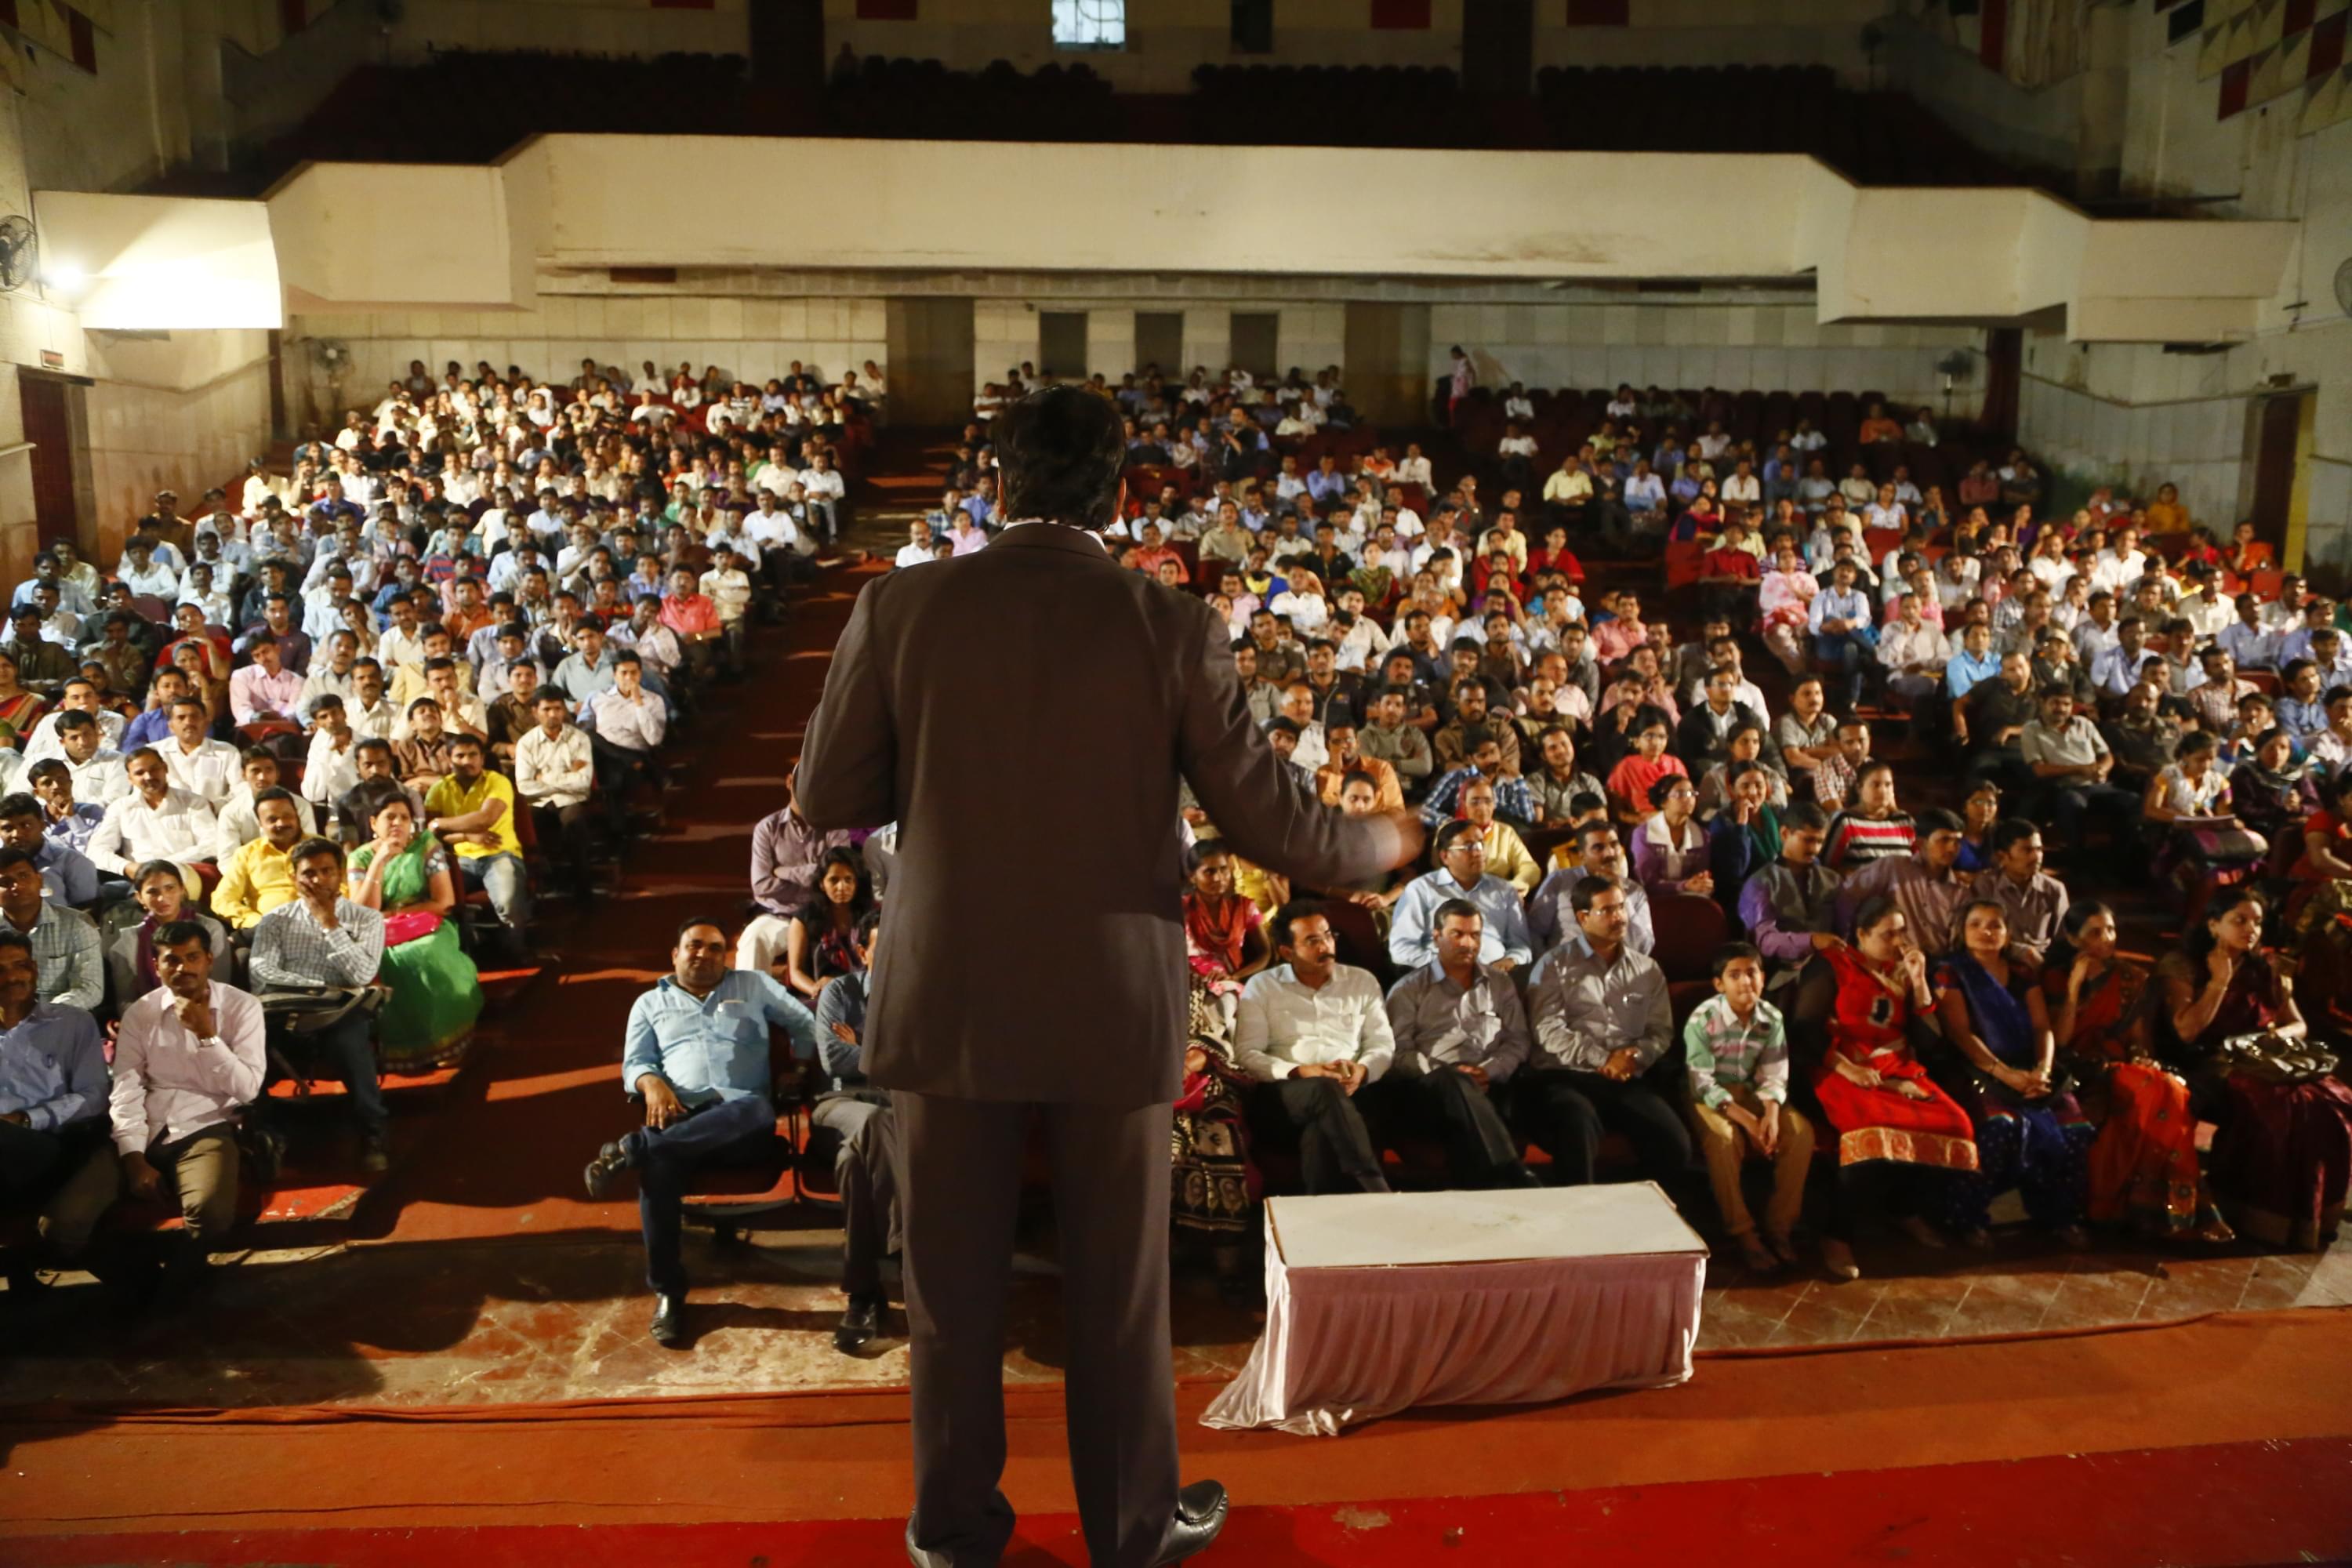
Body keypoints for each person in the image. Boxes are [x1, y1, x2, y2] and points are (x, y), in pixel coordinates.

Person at [796, 387, 1414, 1568]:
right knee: (1121, 1290)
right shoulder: (1169, 623)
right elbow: (1273, 824)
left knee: (950, 1292)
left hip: (949, 997)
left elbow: (828, 795)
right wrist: (1383, 838)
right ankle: (1133, 1526)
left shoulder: (901, 605)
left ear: (998, 485)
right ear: (1121, 494)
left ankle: (951, 1530)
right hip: (1109, 1003)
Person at [583, 920, 816, 1345]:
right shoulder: (649, 1003)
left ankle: (634, 1148)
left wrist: (798, 1070)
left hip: (745, 1126)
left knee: (755, 1107)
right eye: (694, 946)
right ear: (675, 954)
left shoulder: (753, 986)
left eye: (714, 948)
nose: (703, 955)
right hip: (682, 1123)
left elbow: (806, 1023)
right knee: (657, 1173)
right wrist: (650, 1082)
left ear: (725, 956)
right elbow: (635, 1063)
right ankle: (669, 1294)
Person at [42, 921, 264, 1283]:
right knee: (59, 1226)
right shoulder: (141, 1013)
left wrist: (206, 1036)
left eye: (193, 957)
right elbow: (126, 1088)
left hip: (208, 1124)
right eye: (172, 960)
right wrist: (133, 1156)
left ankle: (177, 1286)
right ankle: (138, 1281)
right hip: (143, 1126)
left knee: (210, 1215)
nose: (183, 968)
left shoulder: (243, 1007)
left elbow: (248, 1090)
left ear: (209, 960)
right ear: (156, 965)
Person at [2152, 891, 2352, 1249]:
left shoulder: (2265, 967)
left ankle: (2309, 1217)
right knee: (2283, 1104)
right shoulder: (2182, 964)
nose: (2251, 930)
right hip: (2211, 1062)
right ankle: (2256, 1214)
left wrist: (2272, 1038)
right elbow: (2186, 1031)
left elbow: (2298, 1025)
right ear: (2213, 925)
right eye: (2239, 920)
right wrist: (2219, 981)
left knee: (2330, 1098)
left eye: (2257, 922)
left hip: (2262, 1059)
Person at [1805, 895, 1979, 1280]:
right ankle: (1836, 1236)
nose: (1898, 942)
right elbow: (1805, 1028)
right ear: (1862, 934)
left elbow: (1930, 1042)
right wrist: (1849, 1070)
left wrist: (1919, 982)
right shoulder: (1832, 964)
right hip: (1840, 1066)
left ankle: (1904, 1208)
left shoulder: (1901, 971)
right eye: (1888, 934)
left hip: (1897, 1068)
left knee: (1956, 1124)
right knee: (1869, 1134)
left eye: (1902, 932)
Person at [2047, 901, 2230, 1243]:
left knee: (2171, 1088)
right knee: (2159, 1091)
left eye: (2111, 930)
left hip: (2118, 1065)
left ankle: (2162, 1207)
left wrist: (2142, 1057)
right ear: (2073, 939)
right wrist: (2073, 989)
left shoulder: (2131, 978)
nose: (2107, 938)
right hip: (2073, 1068)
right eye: (2095, 932)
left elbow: (2138, 1040)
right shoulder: (2055, 977)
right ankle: (2170, 1208)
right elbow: (2060, 1041)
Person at [1931, 899, 2095, 1245]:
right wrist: (2005, 1075)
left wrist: (2043, 1070)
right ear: (1962, 932)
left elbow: (2042, 1028)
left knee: (2076, 1129)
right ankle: (1968, 1218)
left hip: (2031, 1068)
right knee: (1999, 1127)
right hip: (1978, 1068)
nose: (1986, 931)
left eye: (1995, 925)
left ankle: (2060, 1215)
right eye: (1976, 924)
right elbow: (1960, 1034)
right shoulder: (1951, 972)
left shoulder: (2022, 972)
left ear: (2007, 934)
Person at [1518, 873, 1688, 1186]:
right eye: (1607, 910)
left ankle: (1634, 1208)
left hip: (1624, 1077)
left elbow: (1660, 1031)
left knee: (1674, 1144)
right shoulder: (1554, 965)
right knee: (1576, 1123)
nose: (1619, 917)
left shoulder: (1646, 969)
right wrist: (1602, 1059)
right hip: (1565, 1076)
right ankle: (1580, 1211)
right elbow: (1547, 1029)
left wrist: (1634, 1056)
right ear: (1583, 918)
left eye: (1621, 907)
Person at [1234, 902, 1397, 1196]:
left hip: (1351, 1093)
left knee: (1321, 1129)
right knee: (1323, 1089)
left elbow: (1382, 1043)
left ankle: (1318, 1213)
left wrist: (1363, 1070)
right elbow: (1247, 1055)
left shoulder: (1361, 981)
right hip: (1285, 1097)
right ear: (1287, 952)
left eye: (1328, 935)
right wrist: (1300, 1071)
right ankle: (1374, 1184)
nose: (1326, 946)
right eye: (1312, 941)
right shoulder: (1263, 986)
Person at [249, 837, 392, 1170]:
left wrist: (329, 924)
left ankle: (373, 1129)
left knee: (349, 1042)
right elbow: (261, 972)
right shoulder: (275, 920)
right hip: (287, 1011)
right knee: (246, 1042)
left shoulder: (367, 919)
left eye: (327, 871)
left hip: (340, 1014)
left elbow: (362, 974)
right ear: (294, 878)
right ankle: (264, 1133)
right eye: (309, 873)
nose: (318, 880)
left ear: (340, 875)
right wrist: (317, 989)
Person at [1382, 900, 1539, 1189]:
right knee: (1452, 1082)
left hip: (1490, 1084)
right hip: (1429, 1090)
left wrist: (1489, 1071)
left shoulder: (1499, 984)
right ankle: (1512, 1171)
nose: (1468, 944)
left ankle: (1483, 1190)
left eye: (1475, 935)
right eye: (1458, 934)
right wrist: (1448, 1073)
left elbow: (1518, 1039)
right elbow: (1397, 1052)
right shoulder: (1409, 989)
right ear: (1436, 936)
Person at [1683, 943, 1814, 1273]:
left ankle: (1780, 1227)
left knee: (1800, 1134)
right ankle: (1743, 1231)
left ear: (1763, 978)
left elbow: (1775, 1073)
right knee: (1724, 1139)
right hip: (1712, 1093)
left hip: (1755, 1093)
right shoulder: (1703, 1019)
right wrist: (1748, 1122)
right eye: (1735, 975)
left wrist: (1770, 1115)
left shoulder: (1771, 1018)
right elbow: (1702, 1082)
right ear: (1719, 984)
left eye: (1752, 973)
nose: (1745, 982)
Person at [808, 906, 902, 1355]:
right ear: (863, 952)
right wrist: (891, 1055)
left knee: (853, 1163)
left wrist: (861, 1045)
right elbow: (833, 1059)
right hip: (840, 1102)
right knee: (873, 1122)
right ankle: (903, 1251)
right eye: (884, 947)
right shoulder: (839, 992)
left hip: (899, 1109)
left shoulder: (920, 996)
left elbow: (930, 1057)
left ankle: (863, 1295)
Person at [347, 789, 483, 1072]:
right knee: (379, 961)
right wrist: (379, 861)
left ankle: (445, 1040)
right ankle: (401, 1047)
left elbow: (444, 902)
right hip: (379, 934)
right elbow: (363, 914)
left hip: (428, 925)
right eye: (390, 817)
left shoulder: (426, 845)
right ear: (373, 823)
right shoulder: (359, 857)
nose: (398, 823)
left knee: (424, 955)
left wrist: (394, 914)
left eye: (405, 817)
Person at [0, 931, 110, 1264]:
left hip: (55, 1147)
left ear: (34, 969)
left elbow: (94, 1097)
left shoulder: (72, 1023)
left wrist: (25, 1120)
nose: (12, 977)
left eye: (20, 966)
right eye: (0, 970)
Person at [424, 734, 532, 956]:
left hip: (500, 854)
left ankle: (515, 954)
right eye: (460, 756)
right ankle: (461, 954)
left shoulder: (497, 781)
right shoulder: (438, 789)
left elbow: (485, 819)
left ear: (482, 758)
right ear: (449, 759)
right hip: (458, 860)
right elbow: (430, 837)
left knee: (508, 903)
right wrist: (466, 836)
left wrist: (440, 823)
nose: (467, 761)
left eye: (473, 755)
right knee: (432, 898)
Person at [1388, 819, 1534, 972]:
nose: (1479, 852)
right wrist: (1444, 966)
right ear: (1445, 856)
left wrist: (1511, 960)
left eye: (1481, 844)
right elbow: (1401, 949)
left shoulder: (1504, 890)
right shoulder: (1420, 890)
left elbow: (1521, 946)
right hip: (1440, 976)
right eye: (1469, 847)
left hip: (1495, 975)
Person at [103, 859, 227, 1010]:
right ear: (139, 897)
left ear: (182, 889)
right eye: (152, 892)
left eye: (170, 888)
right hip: (149, 1016)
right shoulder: (129, 941)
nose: (162, 898)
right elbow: (125, 1000)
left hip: (208, 1011)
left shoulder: (211, 929)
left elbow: (221, 989)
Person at [0, 847, 99, 1011]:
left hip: (60, 1018)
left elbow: (89, 989)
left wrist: (44, 1016)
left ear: (39, 880)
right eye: (5, 882)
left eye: (23, 876)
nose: (17, 886)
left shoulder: (77, 926)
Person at [1181, 838, 1269, 997]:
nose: (1218, 878)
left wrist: (1235, 977)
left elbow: (1265, 953)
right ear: (1192, 877)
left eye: (1223, 869)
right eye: (1209, 872)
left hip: (1231, 983)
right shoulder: (1180, 910)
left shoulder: (1243, 907)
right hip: (1188, 984)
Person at [211, 787, 309, 929]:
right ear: (261, 824)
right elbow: (222, 900)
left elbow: (342, 890)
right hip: (267, 931)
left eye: (287, 816)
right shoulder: (247, 854)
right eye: (272, 819)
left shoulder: (324, 849)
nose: (281, 823)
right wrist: (257, 922)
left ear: (297, 816)